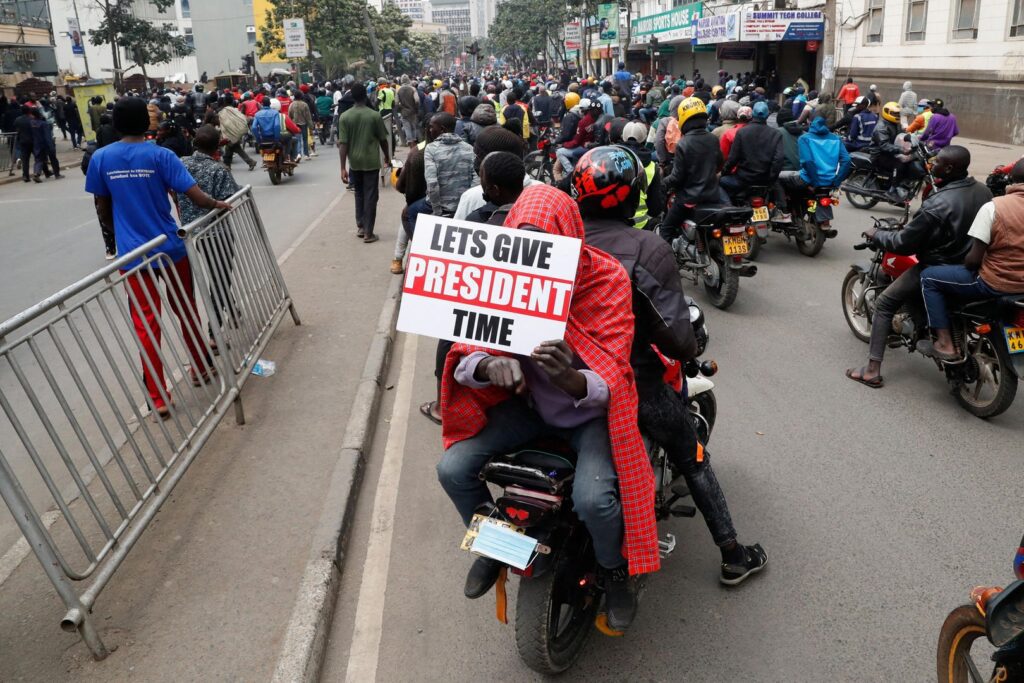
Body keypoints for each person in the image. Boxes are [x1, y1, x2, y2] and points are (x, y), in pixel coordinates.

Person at [438, 184, 660, 632]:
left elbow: (615, 372)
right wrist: (487, 365)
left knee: (594, 501)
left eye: (548, 245)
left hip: (590, 418)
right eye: (526, 242)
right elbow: (465, 351)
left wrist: (572, 379)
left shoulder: (608, 279)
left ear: (572, 238)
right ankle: (498, 545)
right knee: (453, 469)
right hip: (530, 408)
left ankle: (614, 572)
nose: (535, 256)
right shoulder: (503, 277)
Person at [574, 146, 768, 586]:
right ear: (632, 197)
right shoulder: (647, 248)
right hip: (632, 385)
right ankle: (734, 554)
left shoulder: (561, 242)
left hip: (556, 383)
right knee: (693, 456)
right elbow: (677, 339)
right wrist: (691, 341)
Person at [85, 97, 231, 419]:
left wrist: (122, 234)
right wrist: (218, 204)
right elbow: (195, 196)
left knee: (145, 325)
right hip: (170, 249)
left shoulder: (101, 158)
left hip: (134, 256)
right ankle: (201, 368)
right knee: (186, 309)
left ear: (117, 124)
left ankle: (158, 396)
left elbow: (102, 207)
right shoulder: (162, 155)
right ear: (148, 123)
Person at [845, 146, 992, 388]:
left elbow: (903, 243)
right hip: (971, 265)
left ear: (950, 168)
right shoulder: (982, 190)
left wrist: (878, 234)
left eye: (938, 163)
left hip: (938, 265)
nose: (932, 166)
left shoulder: (938, 204)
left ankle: (872, 370)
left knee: (884, 304)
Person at [917, 158, 1024, 360]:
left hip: (995, 283)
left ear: (1011, 179)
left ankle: (944, 343)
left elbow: (973, 261)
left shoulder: (994, 207)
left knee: (929, 277)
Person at [177, 125, 242, 339]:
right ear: (216, 147)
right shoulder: (218, 169)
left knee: (218, 274)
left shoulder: (181, 164)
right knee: (220, 278)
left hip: (195, 233)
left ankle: (231, 309)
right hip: (218, 232)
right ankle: (214, 332)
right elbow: (230, 197)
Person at [661, 98, 723, 241]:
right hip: (712, 196)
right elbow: (719, 164)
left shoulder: (683, 143)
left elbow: (677, 177)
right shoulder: (713, 138)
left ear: (683, 118)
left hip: (689, 199)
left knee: (666, 229)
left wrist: (664, 183)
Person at [338, 82, 391, 243]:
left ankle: (361, 226)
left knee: (359, 194)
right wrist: (387, 157)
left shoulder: (345, 117)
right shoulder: (374, 115)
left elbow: (343, 144)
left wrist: (342, 168)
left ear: (352, 97)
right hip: (371, 163)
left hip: (354, 163)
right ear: (366, 95)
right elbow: (383, 140)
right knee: (371, 196)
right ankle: (369, 232)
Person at [775, 116, 851, 219]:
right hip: (830, 182)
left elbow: (807, 161)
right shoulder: (836, 139)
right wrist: (837, 181)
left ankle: (784, 211)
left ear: (810, 125)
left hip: (808, 179)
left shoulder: (805, 138)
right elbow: (846, 160)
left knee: (777, 177)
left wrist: (815, 181)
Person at [720, 101, 783, 202]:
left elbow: (733, 159)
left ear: (752, 114)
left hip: (743, 180)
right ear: (767, 115)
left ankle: (728, 208)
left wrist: (724, 172)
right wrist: (771, 179)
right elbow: (778, 160)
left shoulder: (742, 132)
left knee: (720, 182)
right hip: (765, 181)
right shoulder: (776, 134)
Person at [422, 113, 477, 222]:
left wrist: (437, 211)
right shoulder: (469, 148)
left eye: (432, 127)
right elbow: (476, 179)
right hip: (464, 206)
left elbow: (432, 182)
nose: (429, 130)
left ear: (442, 129)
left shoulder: (431, 149)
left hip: (441, 208)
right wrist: (467, 204)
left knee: (409, 213)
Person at [555, 98, 600, 177]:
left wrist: (564, 144)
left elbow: (576, 142)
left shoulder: (583, 121)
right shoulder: (598, 118)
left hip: (584, 148)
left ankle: (571, 173)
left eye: (581, 109)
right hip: (595, 146)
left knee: (559, 152)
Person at [218, 98, 256, 171]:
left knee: (231, 149)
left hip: (231, 134)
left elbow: (225, 124)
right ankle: (228, 165)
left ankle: (250, 162)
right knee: (232, 149)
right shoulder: (232, 109)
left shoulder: (223, 112)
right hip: (235, 133)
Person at [397, 75, 421, 148]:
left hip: (404, 112)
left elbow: (396, 102)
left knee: (407, 128)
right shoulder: (413, 89)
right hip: (413, 112)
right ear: (408, 80)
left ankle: (410, 144)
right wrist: (416, 109)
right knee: (413, 127)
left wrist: (401, 109)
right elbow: (417, 100)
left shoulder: (398, 90)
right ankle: (414, 144)